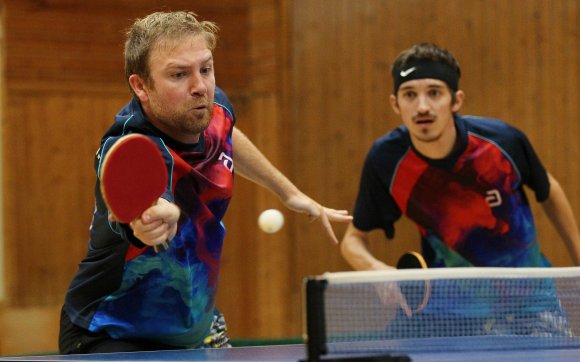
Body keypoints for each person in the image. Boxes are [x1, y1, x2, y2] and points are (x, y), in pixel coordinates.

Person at [59, 11, 352, 354]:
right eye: (179, 74)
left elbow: (225, 132)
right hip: (112, 332)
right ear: (141, 86)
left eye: (206, 68)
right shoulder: (133, 145)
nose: (200, 86)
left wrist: (289, 193)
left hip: (194, 325)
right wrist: (155, 219)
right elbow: (153, 202)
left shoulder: (210, 107)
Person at [340, 43, 580, 336]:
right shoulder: (386, 160)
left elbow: (548, 187)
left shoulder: (502, 142)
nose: (423, 107)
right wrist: (376, 271)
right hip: (442, 311)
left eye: (434, 93)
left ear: (456, 101)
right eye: (410, 95)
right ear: (395, 104)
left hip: (527, 306)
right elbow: (352, 239)